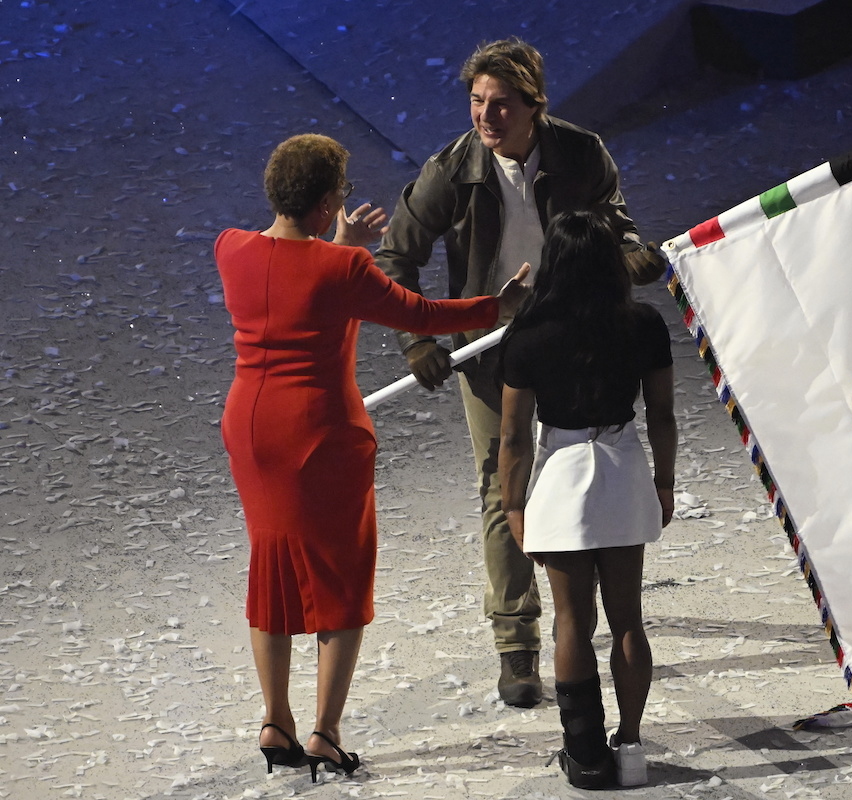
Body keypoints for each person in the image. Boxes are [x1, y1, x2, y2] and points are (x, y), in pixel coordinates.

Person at [215, 133, 528, 782]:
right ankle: (326, 733)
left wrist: (336, 244)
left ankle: (276, 720)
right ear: (330, 200)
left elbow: (297, 280)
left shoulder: (232, 249)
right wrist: (500, 306)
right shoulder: (345, 271)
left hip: (251, 432)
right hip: (319, 438)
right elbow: (421, 313)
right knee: (342, 580)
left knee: (271, 567)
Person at [374, 36, 667, 708]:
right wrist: (416, 334)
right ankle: (516, 643)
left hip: (571, 338)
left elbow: (614, 227)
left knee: (591, 465)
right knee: (499, 483)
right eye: (477, 101)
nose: (485, 116)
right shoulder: (453, 170)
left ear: (534, 106)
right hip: (492, 348)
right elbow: (394, 257)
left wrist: (631, 256)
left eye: (500, 104)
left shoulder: (581, 154)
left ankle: (603, 614)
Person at [497, 210, 676, 789]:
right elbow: (664, 414)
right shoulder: (644, 324)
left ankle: (585, 754)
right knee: (628, 619)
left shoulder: (528, 332)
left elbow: (513, 436)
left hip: (562, 476)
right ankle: (629, 744)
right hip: (623, 471)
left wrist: (514, 506)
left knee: (572, 620)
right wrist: (665, 483)